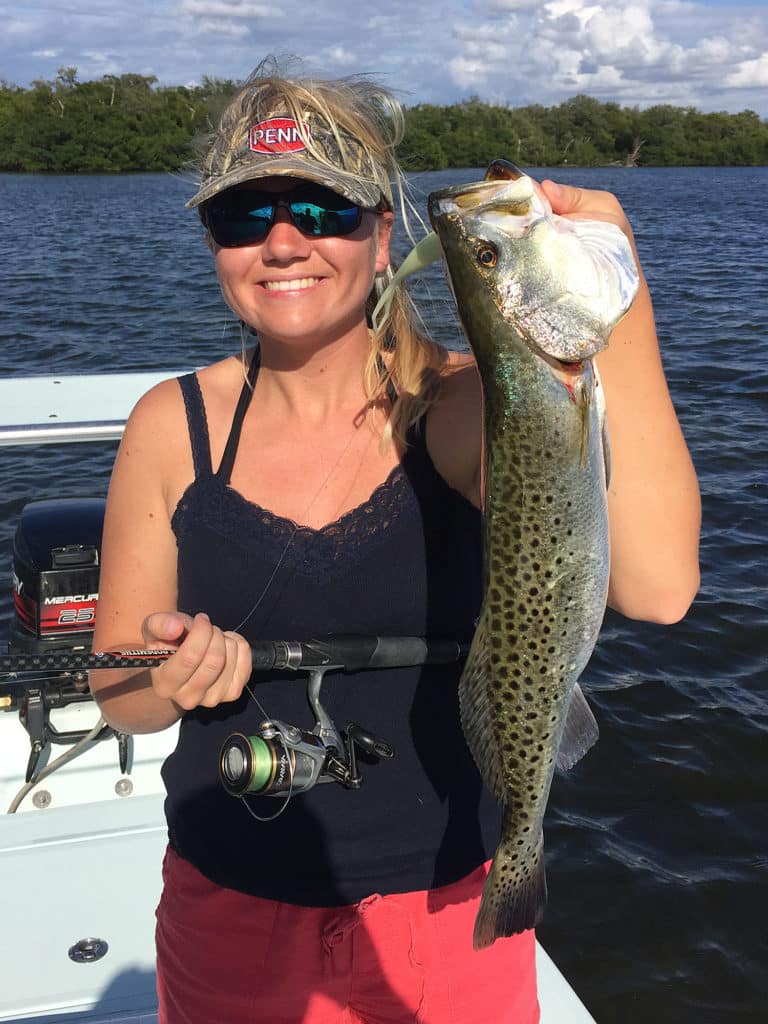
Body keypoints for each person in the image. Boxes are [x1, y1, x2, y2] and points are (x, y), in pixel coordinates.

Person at [89, 59, 701, 1024]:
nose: (283, 242)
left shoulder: (466, 406)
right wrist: (164, 679)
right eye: (243, 217)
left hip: (448, 916)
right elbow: (118, 694)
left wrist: (611, 290)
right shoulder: (171, 425)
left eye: (323, 210)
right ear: (213, 242)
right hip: (228, 914)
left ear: (384, 235)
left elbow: (660, 587)